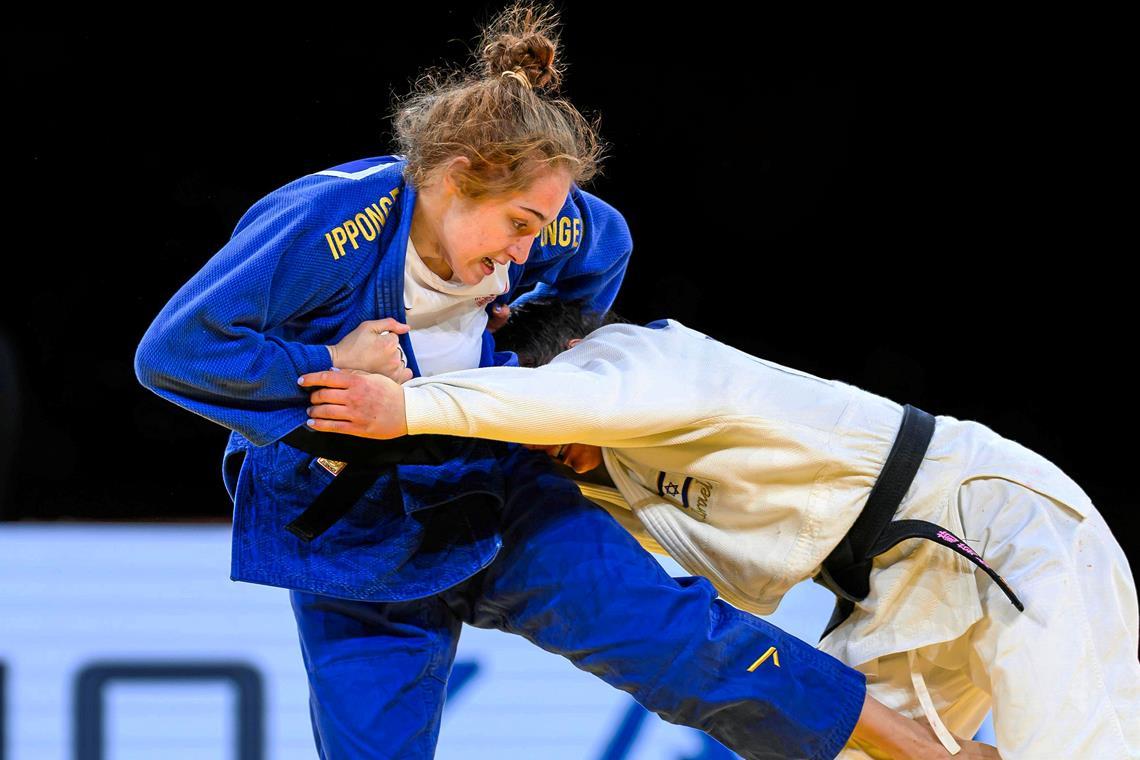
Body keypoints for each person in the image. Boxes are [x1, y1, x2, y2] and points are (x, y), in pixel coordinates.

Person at [131, 4, 972, 758]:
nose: (529, 248)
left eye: (539, 225)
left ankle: (927, 753)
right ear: (456, 177)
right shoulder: (330, 222)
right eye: (517, 224)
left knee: (686, 643)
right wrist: (326, 369)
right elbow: (176, 351)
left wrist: (541, 346)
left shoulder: (552, 220)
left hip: (494, 486)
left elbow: (605, 248)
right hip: (352, 531)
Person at [299, 297, 1140, 759]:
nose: (543, 450)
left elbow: (563, 399)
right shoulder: (594, 476)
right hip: (885, 594)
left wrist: (403, 408)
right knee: (833, 745)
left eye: (534, 423)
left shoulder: (640, 362)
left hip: (988, 521)